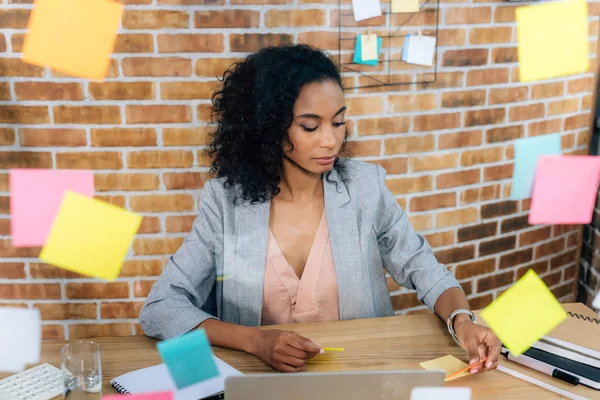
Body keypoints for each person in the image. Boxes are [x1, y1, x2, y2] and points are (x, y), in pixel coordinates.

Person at [139, 44, 501, 374]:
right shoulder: (225, 202)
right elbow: (161, 307)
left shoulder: (365, 188)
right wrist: (253, 340)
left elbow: (425, 269)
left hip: (362, 375)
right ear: (268, 127)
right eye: (310, 126)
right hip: (261, 382)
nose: (331, 140)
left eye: (338, 122)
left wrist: (463, 321)